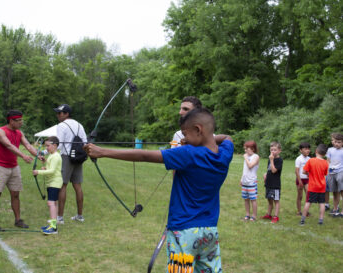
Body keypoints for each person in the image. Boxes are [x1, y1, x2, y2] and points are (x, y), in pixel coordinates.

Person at [84, 108, 234, 272]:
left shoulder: (189, 153)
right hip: (209, 232)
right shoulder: (225, 154)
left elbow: (144, 156)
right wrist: (199, 139)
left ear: (198, 130)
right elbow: (227, 137)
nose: (184, 138)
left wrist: (102, 151)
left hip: (183, 232)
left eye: (185, 134)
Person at [0, 110, 39, 230]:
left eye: (21, 120)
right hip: (0, 168)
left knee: (15, 194)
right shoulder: (0, 131)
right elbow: (8, 145)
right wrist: (23, 156)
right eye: (18, 120)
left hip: (14, 168)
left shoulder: (19, 133)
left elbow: (28, 145)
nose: (21, 122)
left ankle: (18, 220)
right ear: (11, 120)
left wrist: (37, 155)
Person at [54, 104, 87, 223]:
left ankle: (60, 218)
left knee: (62, 185)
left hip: (66, 157)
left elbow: (59, 144)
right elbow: (85, 142)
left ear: (66, 114)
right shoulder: (79, 125)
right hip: (78, 157)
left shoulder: (61, 126)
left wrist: (50, 154)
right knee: (77, 186)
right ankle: (80, 216)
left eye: (60, 113)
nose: (58, 115)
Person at [33, 136, 63, 234]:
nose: (46, 148)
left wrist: (38, 172)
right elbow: (51, 168)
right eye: (46, 146)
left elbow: (53, 171)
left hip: (55, 182)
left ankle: (53, 227)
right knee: (53, 203)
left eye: (48, 146)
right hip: (53, 182)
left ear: (55, 145)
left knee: (51, 203)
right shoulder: (52, 155)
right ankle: (53, 224)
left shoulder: (55, 156)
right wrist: (45, 166)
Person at [300, 144, 329, 225]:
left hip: (312, 186)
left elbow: (304, 171)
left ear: (316, 151)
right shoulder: (326, 163)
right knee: (322, 203)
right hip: (322, 187)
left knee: (308, 202)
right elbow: (325, 173)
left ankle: (302, 220)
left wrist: (309, 174)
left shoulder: (311, 160)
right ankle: (321, 220)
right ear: (325, 154)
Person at [261, 142, 283, 223]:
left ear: (279, 151)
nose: (273, 151)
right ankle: (269, 214)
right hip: (269, 183)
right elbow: (269, 170)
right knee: (269, 199)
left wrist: (271, 160)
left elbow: (274, 170)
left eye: (275, 150)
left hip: (275, 184)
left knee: (276, 200)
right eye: (271, 150)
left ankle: (276, 216)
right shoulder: (270, 159)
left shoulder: (279, 160)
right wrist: (265, 175)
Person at [240, 140, 259, 221]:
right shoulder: (247, 157)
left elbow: (250, 166)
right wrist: (241, 179)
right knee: (246, 199)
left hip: (251, 182)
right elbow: (245, 169)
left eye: (246, 149)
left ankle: (254, 216)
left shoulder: (256, 156)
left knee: (253, 199)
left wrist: (245, 157)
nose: (245, 151)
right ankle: (247, 214)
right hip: (245, 182)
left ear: (252, 149)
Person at [326, 133, 343, 217]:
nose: (337, 143)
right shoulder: (330, 150)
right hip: (331, 172)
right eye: (335, 142)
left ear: (342, 143)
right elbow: (328, 161)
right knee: (335, 191)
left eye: (339, 142)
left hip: (340, 171)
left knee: (342, 190)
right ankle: (335, 209)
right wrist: (328, 170)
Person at [295, 142, 311, 216]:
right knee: (300, 196)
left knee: (308, 195)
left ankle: (306, 211)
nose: (307, 150)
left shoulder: (309, 159)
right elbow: (296, 171)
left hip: (307, 180)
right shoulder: (298, 159)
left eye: (308, 149)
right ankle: (299, 211)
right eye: (305, 149)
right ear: (301, 150)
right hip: (300, 179)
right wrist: (300, 181)